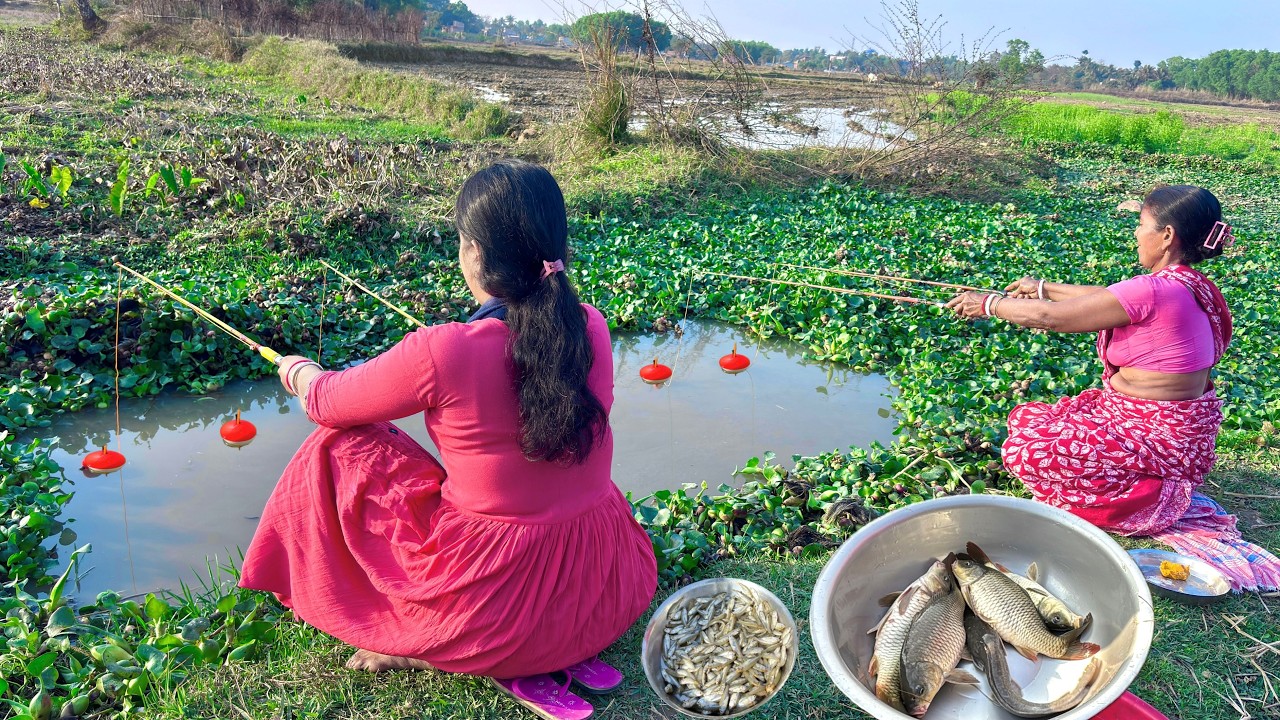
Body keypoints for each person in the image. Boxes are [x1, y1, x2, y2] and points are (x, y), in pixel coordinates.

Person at [240, 160, 658, 718]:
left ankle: (436, 642)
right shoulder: (591, 325)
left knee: (335, 445)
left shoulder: (443, 349)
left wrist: (298, 371)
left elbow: (328, 403)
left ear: (475, 253)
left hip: (494, 606)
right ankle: (548, 638)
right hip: (608, 591)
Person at [946, 184, 1279, 592]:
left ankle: (1145, 501)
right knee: (1035, 418)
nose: (1136, 234)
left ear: (1168, 236)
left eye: (1142, 225)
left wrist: (989, 305)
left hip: (1155, 436)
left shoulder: (1157, 289)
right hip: (1171, 431)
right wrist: (1041, 286)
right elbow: (1108, 300)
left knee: (1025, 450)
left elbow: (1053, 319)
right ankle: (1146, 485)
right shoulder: (1190, 284)